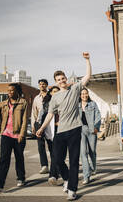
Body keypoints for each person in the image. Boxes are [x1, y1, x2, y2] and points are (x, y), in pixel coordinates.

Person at [36, 52, 91, 201]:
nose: (61, 81)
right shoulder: (54, 97)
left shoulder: (75, 89)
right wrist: (41, 128)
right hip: (61, 132)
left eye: (63, 78)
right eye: (58, 80)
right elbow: (50, 114)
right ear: (56, 82)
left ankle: (72, 189)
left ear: (66, 79)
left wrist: (87, 61)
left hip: (74, 129)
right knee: (57, 159)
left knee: (73, 161)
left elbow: (87, 77)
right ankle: (66, 179)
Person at [0, 83, 28, 192]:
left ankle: (21, 178)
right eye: (8, 90)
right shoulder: (4, 104)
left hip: (18, 135)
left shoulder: (23, 102)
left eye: (12, 90)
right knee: (4, 158)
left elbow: (24, 120)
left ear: (17, 91)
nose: (9, 92)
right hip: (6, 135)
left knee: (19, 157)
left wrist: (22, 134)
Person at [38, 86, 60, 185]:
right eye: (54, 91)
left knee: (56, 153)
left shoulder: (63, 101)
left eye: (57, 91)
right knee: (53, 153)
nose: (56, 93)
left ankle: (53, 175)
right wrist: (40, 127)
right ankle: (56, 172)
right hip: (50, 130)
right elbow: (41, 116)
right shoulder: (46, 103)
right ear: (50, 93)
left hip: (61, 129)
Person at [79, 88, 101, 185]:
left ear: (88, 94)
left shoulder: (93, 104)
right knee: (83, 153)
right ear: (80, 95)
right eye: (82, 94)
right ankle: (86, 176)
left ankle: (93, 167)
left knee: (92, 151)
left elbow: (98, 116)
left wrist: (96, 127)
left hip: (92, 130)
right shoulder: (77, 105)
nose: (84, 95)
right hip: (80, 130)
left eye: (86, 93)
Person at [32, 79, 51, 174]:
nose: (42, 86)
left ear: (47, 85)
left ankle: (55, 165)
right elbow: (34, 112)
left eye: (43, 84)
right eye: (40, 84)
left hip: (49, 123)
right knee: (40, 146)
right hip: (39, 123)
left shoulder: (51, 96)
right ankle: (44, 166)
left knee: (51, 144)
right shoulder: (36, 98)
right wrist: (33, 125)